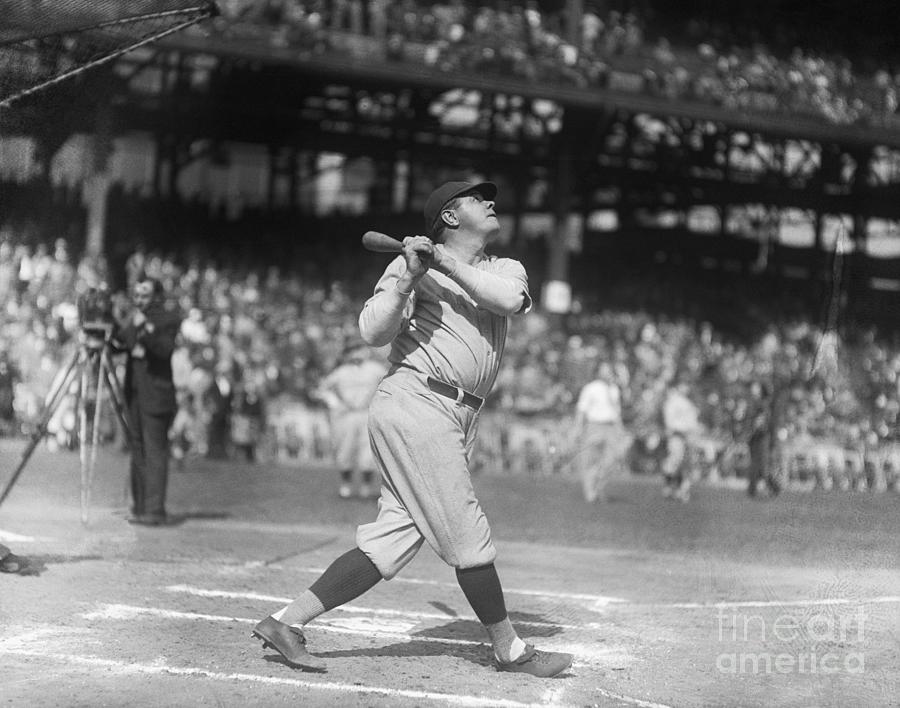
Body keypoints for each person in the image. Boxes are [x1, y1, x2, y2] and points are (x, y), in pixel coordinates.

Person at [251, 180, 573, 678]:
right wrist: (407, 279)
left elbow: (507, 301)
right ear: (448, 216)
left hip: (453, 414)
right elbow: (373, 332)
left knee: (391, 539)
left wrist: (442, 265)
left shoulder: (504, 268)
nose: (491, 203)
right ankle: (509, 649)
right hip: (417, 401)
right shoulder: (408, 267)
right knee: (467, 534)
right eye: (476, 199)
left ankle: (285, 622)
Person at [116, 276, 181, 526]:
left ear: (155, 297)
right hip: (134, 394)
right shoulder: (134, 317)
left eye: (144, 295)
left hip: (156, 395)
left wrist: (146, 330)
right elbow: (121, 343)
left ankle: (155, 509)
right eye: (137, 295)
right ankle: (139, 505)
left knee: (155, 451)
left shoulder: (167, 318)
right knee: (138, 448)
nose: (139, 300)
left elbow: (164, 350)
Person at [317, 337, 387, 499]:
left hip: (368, 414)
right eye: (352, 350)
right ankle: (346, 486)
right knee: (345, 449)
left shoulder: (375, 369)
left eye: (359, 349)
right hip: (346, 415)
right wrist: (336, 404)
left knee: (368, 452)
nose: (356, 353)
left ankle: (366, 487)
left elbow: (390, 385)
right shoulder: (341, 372)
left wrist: (379, 402)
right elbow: (323, 390)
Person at [573, 361, 628, 503]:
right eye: (604, 369)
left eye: (609, 369)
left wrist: (620, 429)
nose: (607, 372)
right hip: (595, 425)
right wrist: (578, 427)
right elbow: (582, 410)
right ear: (597, 372)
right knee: (592, 459)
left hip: (611, 427)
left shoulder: (614, 389)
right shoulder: (590, 388)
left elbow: (616, 412)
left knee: (613, 459)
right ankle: (591, 491)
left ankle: (598, 485)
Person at [660, 377, 700, 502]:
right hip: (677, 435)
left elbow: (693, 422)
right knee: (675, 460)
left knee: (687, 464)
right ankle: (669, 486)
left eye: (687, 385)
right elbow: (670, 421)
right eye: (683, 385)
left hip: (688, 436)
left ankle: (681, 490)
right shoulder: (673, 401)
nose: (686, 388)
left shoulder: (689, 402)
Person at [745, 381, 782, 498]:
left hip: (762, 437)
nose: (753, 390)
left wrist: (752, 429)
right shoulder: (755, 403)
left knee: (762, 465)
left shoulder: (763, 404)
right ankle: (753, 489)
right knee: (756, 464)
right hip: (755, 437)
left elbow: (761, 422)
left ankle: (773, 487)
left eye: (755, 388)